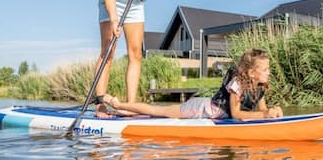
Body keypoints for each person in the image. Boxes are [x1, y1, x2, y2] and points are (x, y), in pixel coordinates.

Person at [102, 49, 284, 119]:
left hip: (211, 110)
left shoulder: (260, 88)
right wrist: (265, 115)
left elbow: (262, 111)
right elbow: (236, 113)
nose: (269, 72)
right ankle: (119, 105)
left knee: (157, 112)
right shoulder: (237, 83)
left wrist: (271, 113)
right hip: (200, 109)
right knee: (158, 111)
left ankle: (123, 112)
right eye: (266, 69)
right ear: (251, 72)